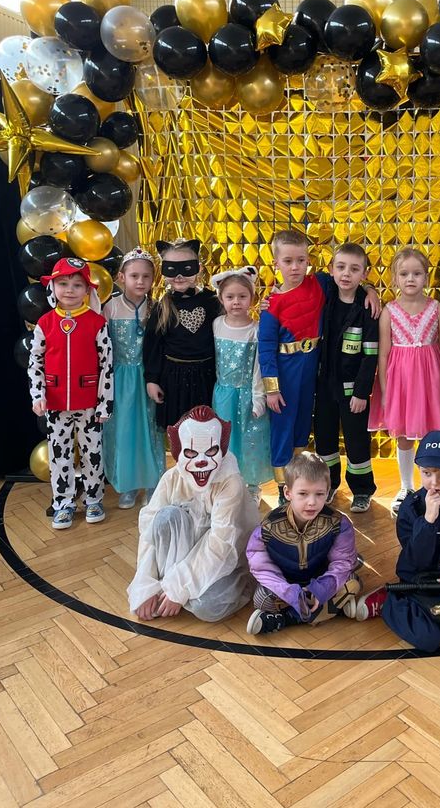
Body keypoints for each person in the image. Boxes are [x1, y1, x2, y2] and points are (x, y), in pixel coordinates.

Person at [258, 229, 379, 503]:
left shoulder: (321, 283)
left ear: (309, 261)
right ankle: (283, 488)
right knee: (284, 429)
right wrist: (271, 388)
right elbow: (265, 349)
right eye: (288, 261)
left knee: (303, 428)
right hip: (286, 374)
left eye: (300, 260)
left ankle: (302, 482)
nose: (295, 267)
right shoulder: (271, 304)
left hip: (313, 373)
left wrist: (371, 290)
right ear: (276, 263)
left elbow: (349, 276)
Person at [355, 431, 440, 653]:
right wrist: (428, 520)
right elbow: (416, 559)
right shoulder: (409, 509)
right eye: (427, 473)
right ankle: (388, 601)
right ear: (419, 469)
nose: (434, 483)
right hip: (418, 584)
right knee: (427, 640)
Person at [128, 406, 259, 623]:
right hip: (189, 557)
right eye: (191, 453)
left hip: (228, 562)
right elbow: (149, 534)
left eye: (211, 451)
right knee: (165, 517)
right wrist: (145, 585)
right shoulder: (172, 478)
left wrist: (178, 588)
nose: (201, 461)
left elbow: (222, 546)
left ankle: (185, 589)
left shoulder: (231, 483)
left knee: (207, 606)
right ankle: (167, 589)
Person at [28, 257, 114, 530]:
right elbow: (35, 362)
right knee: (59, 456)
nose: (69, 290)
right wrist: (38, 394)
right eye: (63, 283)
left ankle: (93, 499)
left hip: (89, 404)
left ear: (87, 290)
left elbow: (107, 365)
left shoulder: (97, 322)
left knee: (93, 453)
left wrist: (105, 403)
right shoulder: (45, 322)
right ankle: (63, 503)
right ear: (52, 287)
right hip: (55, 404)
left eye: (77, 285)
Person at [368, 247, 440, 513]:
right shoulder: (389, 311)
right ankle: (406, 486)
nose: (410, 279)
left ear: (426, 277)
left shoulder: (437, 309)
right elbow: (384, 354)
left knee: (433, 434)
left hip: (432, 381)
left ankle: (434, 486)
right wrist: (386, 389)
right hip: (402, 382)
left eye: (417, 273)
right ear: (394, 278)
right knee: (404, 435)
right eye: (404, 274)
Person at [245, 452, 360, 634]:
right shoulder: (267, 528)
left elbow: (342, 562)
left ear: (328, 492)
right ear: (288, 492)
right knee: (261, 599)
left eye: (319, 494)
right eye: (303, 494)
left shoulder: (339, 524)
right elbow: (261, 568)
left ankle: (284, 619)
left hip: (320, 580)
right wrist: (290, 593)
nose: (312, 502)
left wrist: (321, 589)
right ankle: (330, 610)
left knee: (353, 581)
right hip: (287, 584)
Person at [313, 243, 379, 512]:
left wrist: (362, 392)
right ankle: (328, 484)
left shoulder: (368, 308)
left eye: (354, 269)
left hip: (353, 391)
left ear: (364, 273)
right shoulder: (325, 293)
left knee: (357, 441)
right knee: (324, 438)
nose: (346, 274)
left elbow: (370, 355)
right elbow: (300, 281)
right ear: (331, 269)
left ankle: (362, 490)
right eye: (340, 267)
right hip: (324, 386)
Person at [103, 247, 165, 509]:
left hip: (148, 378)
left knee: (150, 430)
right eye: (134, 276)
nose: (140, 282)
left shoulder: (158, 308)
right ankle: (127, 484)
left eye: (146, 276)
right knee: (124, 430)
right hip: (120, 379)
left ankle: (154, 484)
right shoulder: (111, 307)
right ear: (121, 277)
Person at [143, 238, 220, 432]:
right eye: (171, 269)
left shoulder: (213, 301)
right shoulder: (163, 306)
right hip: (173, 380)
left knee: (207, 429)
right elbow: (153, 347)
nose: (178, 276)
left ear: (198, 268)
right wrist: (152, 379)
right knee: (179, 430)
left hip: (207, 377)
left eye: (186, 268)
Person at [211, 266, 271, 500]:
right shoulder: (217, 324)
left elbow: (258, 367)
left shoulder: (256, 330)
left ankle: (252, 486)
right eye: (230, 297)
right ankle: (226, 484)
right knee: (226, 440)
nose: (236, 302)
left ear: (252, 298)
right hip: (223, 394)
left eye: (242, 296)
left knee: (249, 440)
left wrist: (258, 398)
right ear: (221, 298)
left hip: (247, 395)